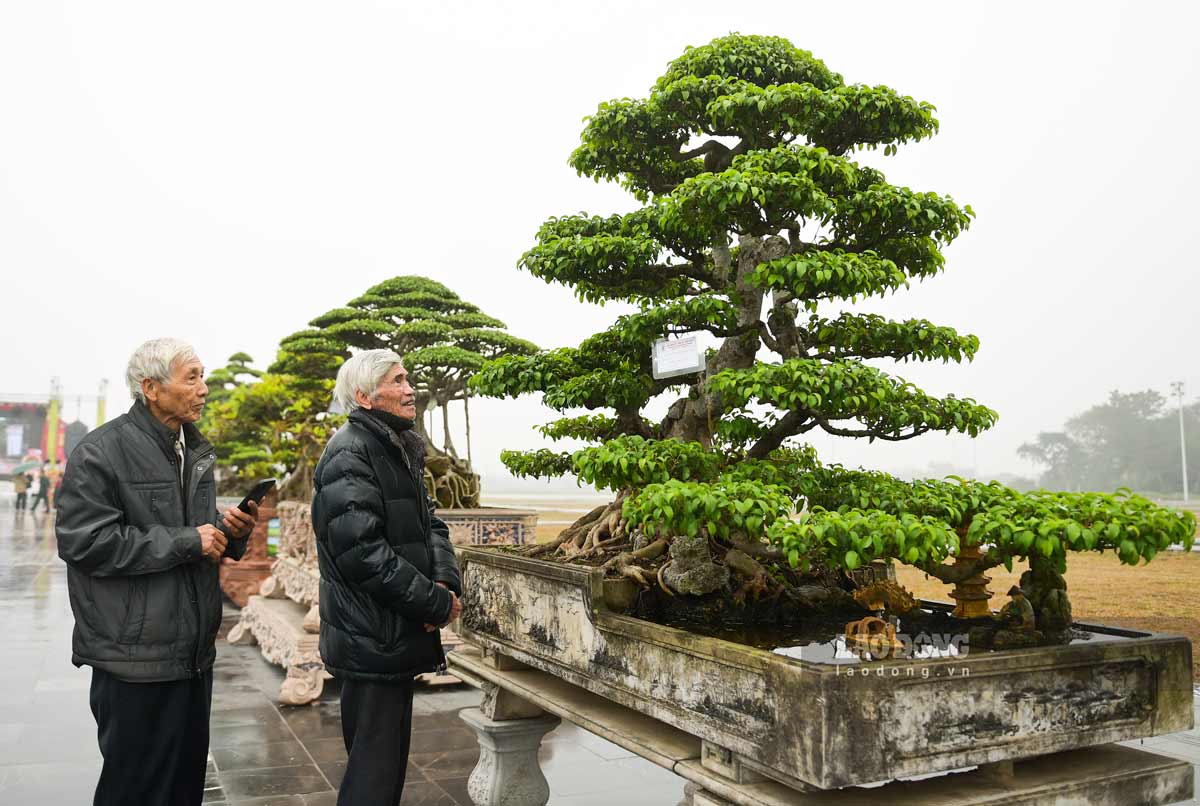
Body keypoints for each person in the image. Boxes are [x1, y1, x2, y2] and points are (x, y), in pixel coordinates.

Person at [55, 337, 259, 806]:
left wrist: (232, 532)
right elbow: (84, 542)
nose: (204, 388)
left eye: (203, 376)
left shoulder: (194, 449)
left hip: (191, 653)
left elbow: (198, 539)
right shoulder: (100, 452)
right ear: (151, 387)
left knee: (184, 787)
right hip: (133, 658)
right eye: (192, 377)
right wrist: (190, 539)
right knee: (135, 789)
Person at [312, 349, 463, 806]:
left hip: (391, 632)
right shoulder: (350, 453)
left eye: (407, 378)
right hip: (371, 635)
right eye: (397, 381)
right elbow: (364, 554)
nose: (409, 388)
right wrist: (434, 605)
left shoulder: (396, 447)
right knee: (373, 774)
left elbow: (430, 524)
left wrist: (445, 584)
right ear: (364, 395)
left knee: (385, 765)